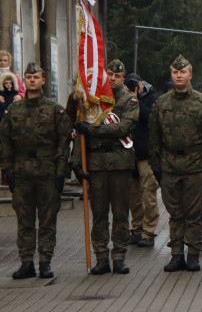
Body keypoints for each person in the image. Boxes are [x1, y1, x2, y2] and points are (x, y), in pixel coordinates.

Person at [0, 63, 71, 279]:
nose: (32, 80)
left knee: (48, 220)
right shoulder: (13, 110)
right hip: (22, 173)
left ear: (43, 81)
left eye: (36, 77)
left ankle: (45, 262)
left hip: (47, 172)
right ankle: (27, 262)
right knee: (24, 220)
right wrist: (7, 170)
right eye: (29, 77)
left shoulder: (54, 109)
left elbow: (62, 141)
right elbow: (5, 142)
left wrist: (61, 172)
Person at [149, 56, 202, 272]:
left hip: (196, 165)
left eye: (183, 72)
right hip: (170, 165)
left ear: (190, 75)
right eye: (175, 72)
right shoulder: (161, 103)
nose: (179, 75)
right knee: (176, 214)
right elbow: (154, 137)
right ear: (172, 75)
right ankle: (176, 254)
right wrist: (156, 166)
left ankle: (194, 255)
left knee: (195, 214)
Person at [71, 62, 140, 275]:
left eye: (117, 75)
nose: (112, 78)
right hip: (97, 166)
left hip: (120, 165)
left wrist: (92, 129)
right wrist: (75, 163)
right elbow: (80, 134)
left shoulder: (129, 101)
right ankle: (101, 256)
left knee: (120, 214)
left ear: (123, 79)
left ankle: (119, 257)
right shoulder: (91, 102)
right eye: (109, 74)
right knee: (99, 214)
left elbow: (123, 128)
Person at [125, 72, 160, 248]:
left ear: (141, 85)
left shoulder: (152, 98)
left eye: (134, 86)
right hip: (130, 155)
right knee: (133, 197)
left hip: (146, 156)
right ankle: (136, 230)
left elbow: (152, 120)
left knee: (148, 194)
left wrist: (137, 102)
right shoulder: (122, 99)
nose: (131, 89)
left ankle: (149, 233)